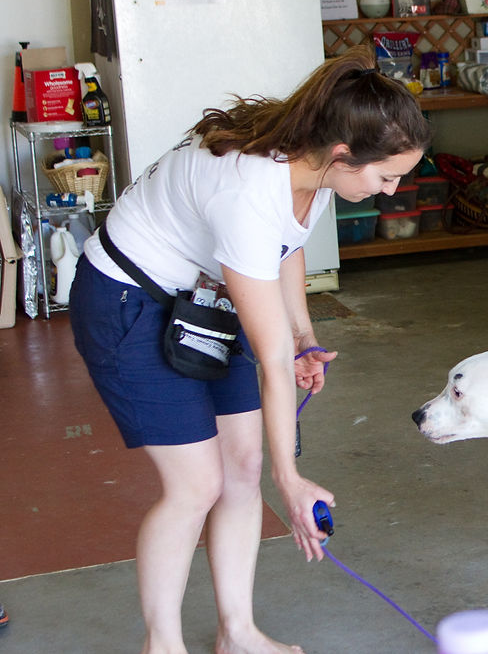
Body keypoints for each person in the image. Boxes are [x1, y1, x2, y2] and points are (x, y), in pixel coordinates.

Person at [69, 45, 430, 654]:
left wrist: (304, 337)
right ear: (344, 155)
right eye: (386, 176)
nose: (393, 191)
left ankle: (237, 634)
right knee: (195, 487)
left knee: (240, 471)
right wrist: (290, 479)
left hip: (205, 297)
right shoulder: (250, 189)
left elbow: (285, 249)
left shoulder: (312, 168)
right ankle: (162, 646)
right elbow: (268, 358)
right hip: (127, 300)